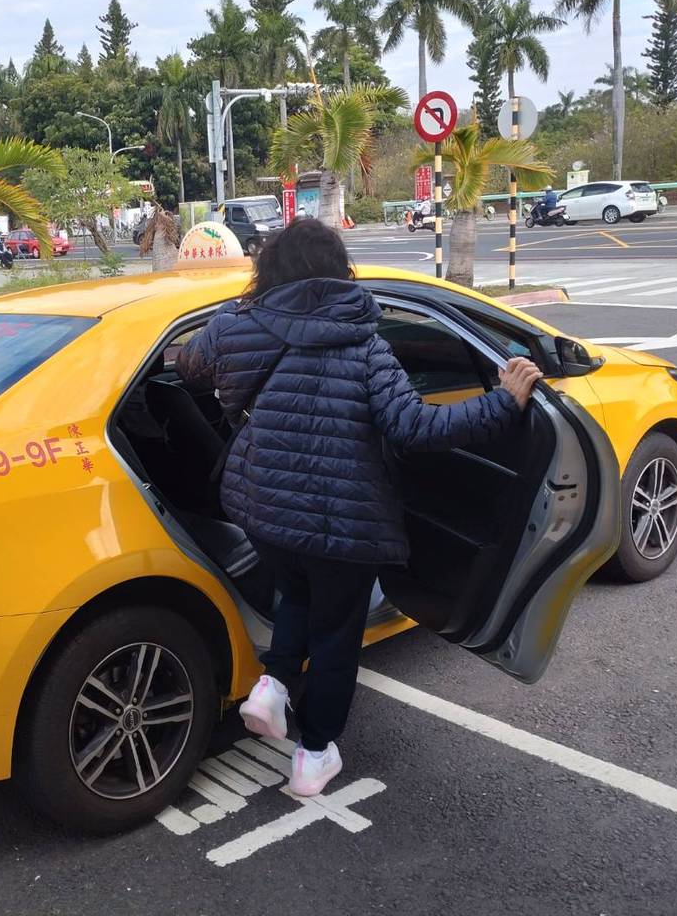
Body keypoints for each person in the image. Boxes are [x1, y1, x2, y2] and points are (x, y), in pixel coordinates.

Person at [176, 219, 541, 798]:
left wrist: (233, 324)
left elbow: (185, 367)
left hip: (264, 506)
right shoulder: (365, 344)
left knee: (293, 592)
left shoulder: (231, 327)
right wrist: (502, 403)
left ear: (269, 270)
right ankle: (313, 756)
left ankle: (271, 690)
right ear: (337, 273)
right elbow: (416, 426)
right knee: (336, 634)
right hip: (344, 522)